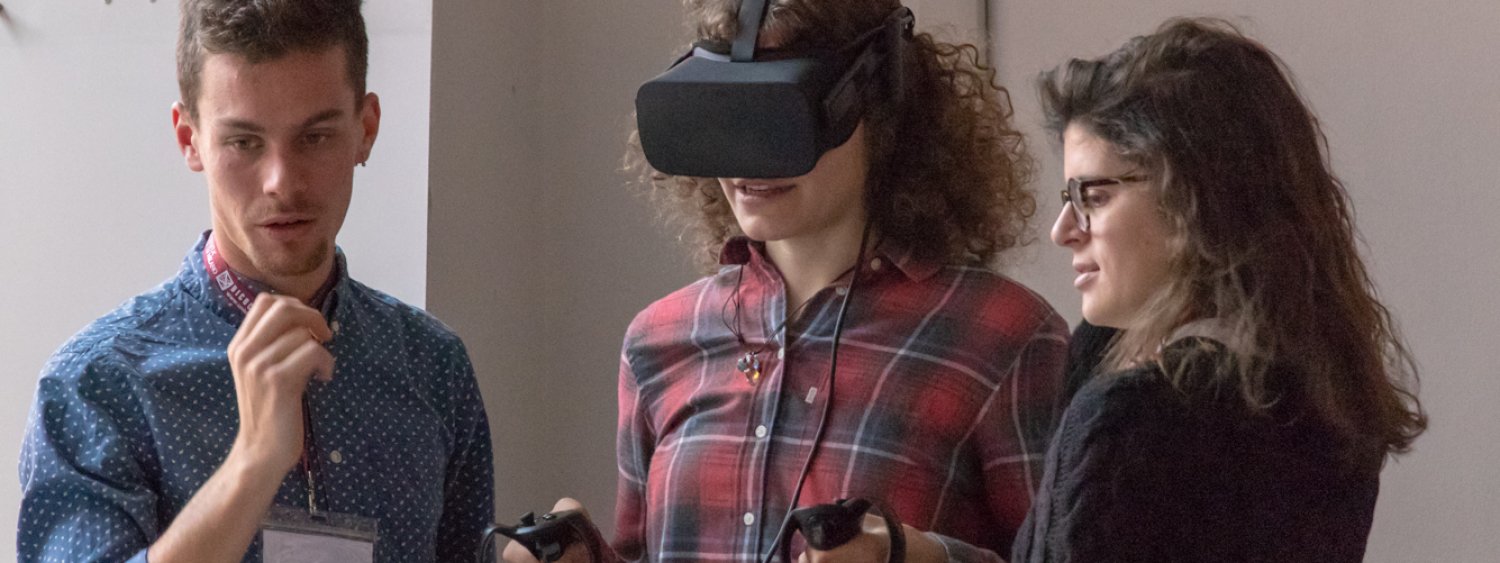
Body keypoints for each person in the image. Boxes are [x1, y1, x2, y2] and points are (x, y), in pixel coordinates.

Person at [506, 1, 1069, 562]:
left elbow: (1065, 551)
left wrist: (915, 555)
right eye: (726, 113)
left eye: (779, 115)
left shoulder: (1002, 337)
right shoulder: (657, 341)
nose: (747, 158)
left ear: (878, 109)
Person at [17, 1, 494, 561]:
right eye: (244, 142)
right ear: (189, 139)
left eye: (315, 137)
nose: (281, 182)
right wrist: (253, 463)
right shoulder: (96, 385)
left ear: (365, 130)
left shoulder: (434, 367)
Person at [1012, 18, 1428, 563]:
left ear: (1192, 197)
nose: (1063, 230)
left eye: (1093, 195)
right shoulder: (1332, 394)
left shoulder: (1130, 417)